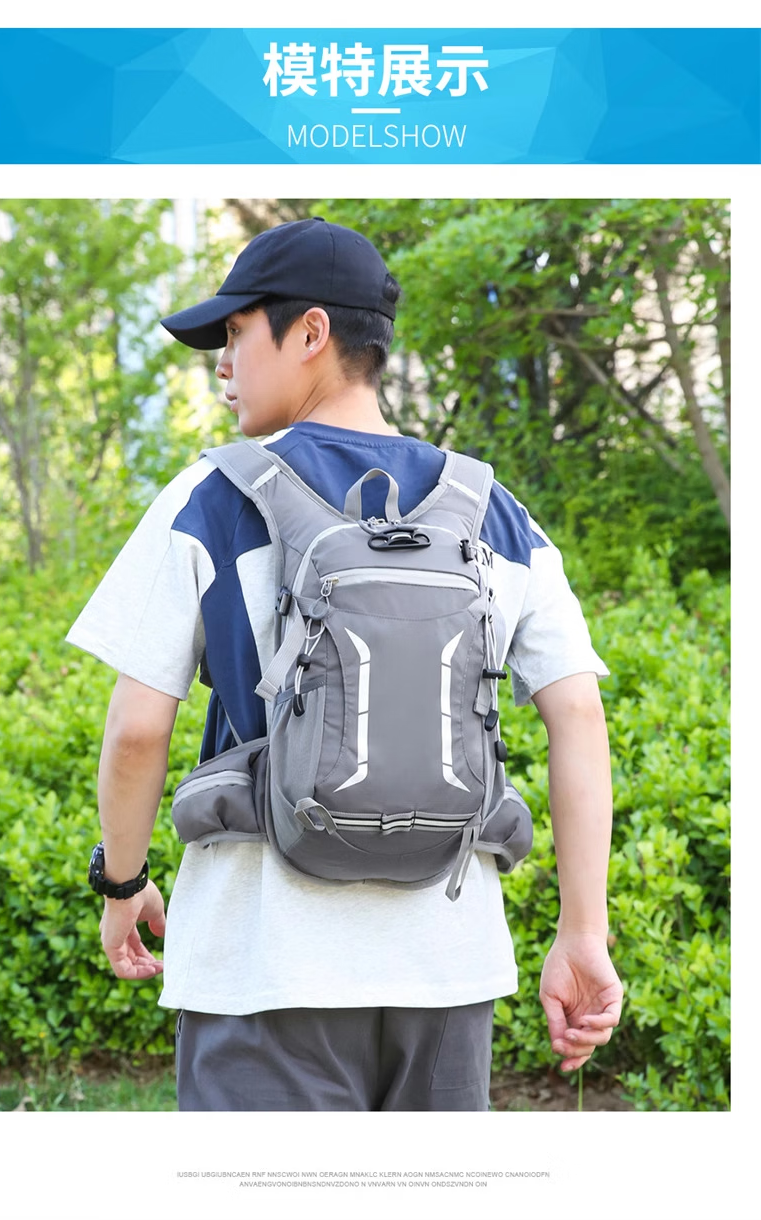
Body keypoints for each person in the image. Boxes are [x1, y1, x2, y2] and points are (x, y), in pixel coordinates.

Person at [67, 215, 622, 1111]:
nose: (222, 364)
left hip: (262, 966)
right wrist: (582, 931)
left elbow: (138, 731)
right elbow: (579, 716)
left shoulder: (211, 495)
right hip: (448, 967)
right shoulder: (496, 511)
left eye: (237, 333)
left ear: (311, 332)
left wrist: (122, 882)